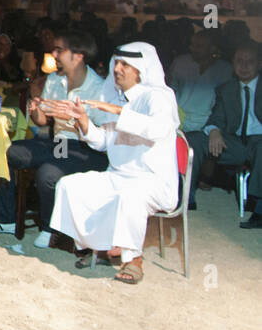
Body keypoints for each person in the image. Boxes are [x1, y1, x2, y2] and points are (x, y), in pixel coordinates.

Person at [49, 43, 179, 284]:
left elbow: (158, 130)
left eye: (125, 65)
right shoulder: (111, 95)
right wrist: (84, 121)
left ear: (141, 69)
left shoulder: (160, 97)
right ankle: (95, 246)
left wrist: (119, 111)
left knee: (131, 196)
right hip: (117, 175)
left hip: (153, 181)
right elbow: (103, 143)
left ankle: (134, 259)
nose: (117, 69)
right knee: (69, 185)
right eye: (116, 63)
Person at [0, 30, 109, 246]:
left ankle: (50, 228)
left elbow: (103, 134)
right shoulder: (55, 80)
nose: (53, 54)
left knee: (48, 171)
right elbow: (42, 121)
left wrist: (73, 118)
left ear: (78, 56)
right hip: (60, 143)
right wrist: (36, 107)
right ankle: (5, 218)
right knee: (4, 152)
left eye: (60, 50)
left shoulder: (100, 88)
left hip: (87, 149)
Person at [190, 41, 262, 227]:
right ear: (233, 64)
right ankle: (185, 199)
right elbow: (217, 117)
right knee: (195, 139)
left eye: (250, 61)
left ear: (259, 64)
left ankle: (259, 210)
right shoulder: (226, 89)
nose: (244, 66)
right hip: (236, 143)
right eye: (239, 61)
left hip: (260, 142)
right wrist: (214, 131)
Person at [169, 30, 233, 209]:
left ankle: (196, 186)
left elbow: (223, 105)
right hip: (179, 118)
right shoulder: (181, 63)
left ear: (212, 48)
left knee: (197, 143)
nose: (193, 49)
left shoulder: (225, 69)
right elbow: (170, 90)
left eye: (199, 46)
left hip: (206, 122)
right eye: (192, 45)